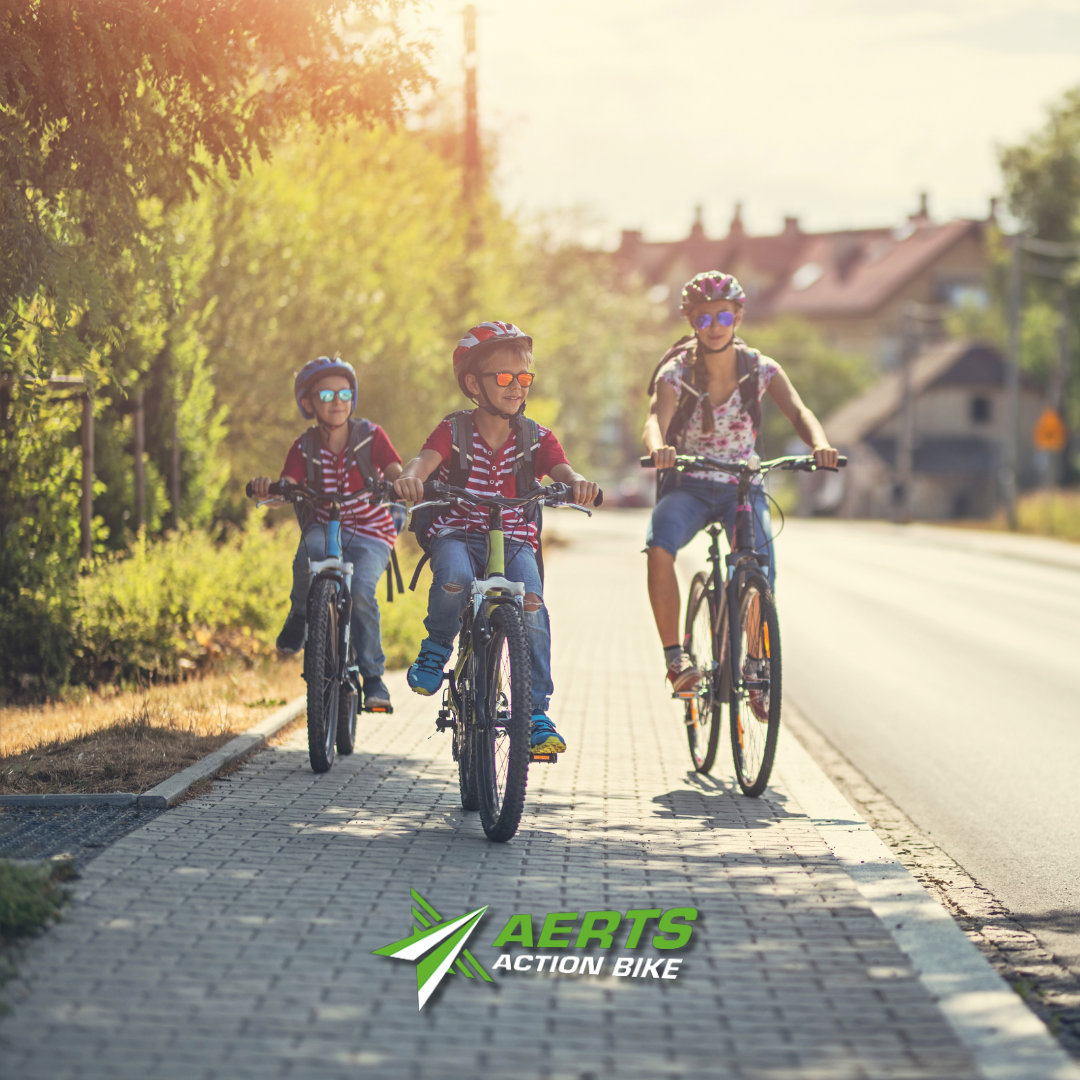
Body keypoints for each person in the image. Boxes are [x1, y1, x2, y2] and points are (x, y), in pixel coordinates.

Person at [392, 322, 598, 755]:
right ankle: (436, 647)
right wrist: (412, 479)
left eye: (524, 378)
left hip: (516, 538)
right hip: (458, 532)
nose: (516, 387)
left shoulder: (536, 437)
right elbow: (422, 462)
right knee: (454, 579)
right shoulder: (454, 431)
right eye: (504, 378)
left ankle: (535, 712)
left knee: (533, 605)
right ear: (473, 383)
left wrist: (577, 483)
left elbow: (564, 470)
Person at [643, 272, 838, 692]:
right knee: (659, 549)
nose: (715, 327)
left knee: (760, 568)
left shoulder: (761, 369)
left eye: (724, 318)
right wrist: (659, 447)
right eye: (704, 319)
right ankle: (676, 659)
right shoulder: (676, 372)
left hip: (743, 489)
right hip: (689, 486)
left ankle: (754, 664)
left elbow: (800, 412)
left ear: (739, 317)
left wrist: (820, 444)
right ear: (691, 323)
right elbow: (655, 419)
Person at [249, 356, 403, 709]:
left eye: (345, 392)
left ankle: (374, 677)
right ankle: (302, 614)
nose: (337, 401)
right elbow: (285, 487)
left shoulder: (371, 436)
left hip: (370, 532)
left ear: (354, 398)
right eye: (327, 394)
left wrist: (401, 485)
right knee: (306, 556)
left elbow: (396, 470)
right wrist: (267, 490)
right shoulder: (304, 446)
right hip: (324, 526)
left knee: (362, 592)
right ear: (308, 404)